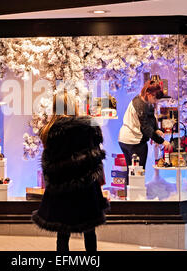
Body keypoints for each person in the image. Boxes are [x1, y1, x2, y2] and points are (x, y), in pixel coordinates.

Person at [31, 92, 110, 252]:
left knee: (62, 232)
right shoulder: (90, 126)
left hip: (62, 188)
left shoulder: (49, 131)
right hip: (86, 187)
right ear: (74, 105)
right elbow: (96, 157)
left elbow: (49, 163)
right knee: (90, 230)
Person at [118, 80, 172, 174]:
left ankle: (130, 188)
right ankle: (134, 188)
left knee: (132, 173)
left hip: (125, 139)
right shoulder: (140, 105)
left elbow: (150, 117)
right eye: (155, 99)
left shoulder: (143, 100)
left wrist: (156, 129)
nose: (156, 101)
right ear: (148, 94)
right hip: (133, 142)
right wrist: (162, 141)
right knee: (137, 174)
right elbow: (146, 128)